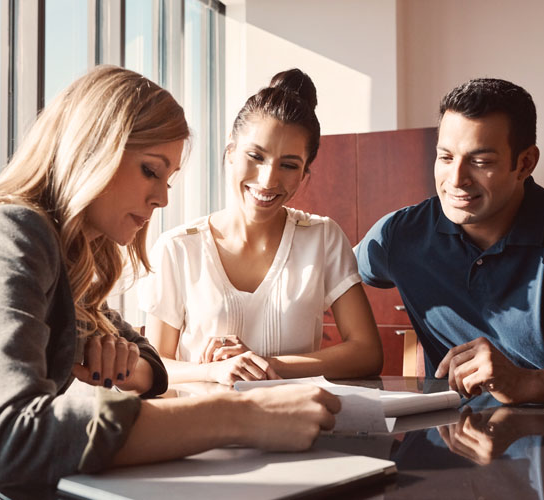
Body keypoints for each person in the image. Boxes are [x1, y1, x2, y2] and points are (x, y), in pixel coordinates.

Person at [0, 65, 341, 499]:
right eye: (151, 171)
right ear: (94, 151)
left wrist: (125, 363)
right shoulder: (5, 233)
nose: (162, 199)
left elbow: (147, 359)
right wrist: (243, 417)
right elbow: (12, 444)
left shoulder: (60, 255)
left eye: (169, 179)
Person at [355, 77, 544, 406]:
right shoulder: (400, 234)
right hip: (443, 442)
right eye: (445, 158)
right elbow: (324, 278)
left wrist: (529, 383)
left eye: (481, 162)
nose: (456, 180)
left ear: (525, 163)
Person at [139, 68, 383, 385]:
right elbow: (154, 364)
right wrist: (213, 371)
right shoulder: (178, 248)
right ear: (230, 151)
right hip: (201, 429)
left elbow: (367, 353)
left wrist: (264, 365)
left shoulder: (322, 238)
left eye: (289, 165)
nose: (268, 180)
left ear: (305, 172)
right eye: (256, 156)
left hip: (298, 428)